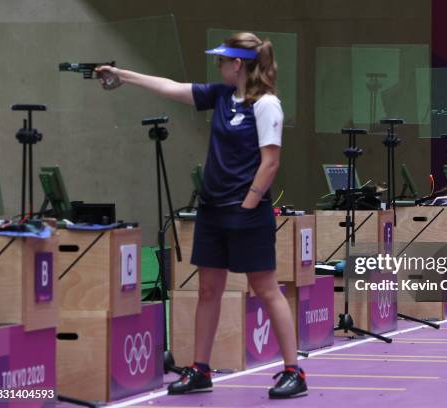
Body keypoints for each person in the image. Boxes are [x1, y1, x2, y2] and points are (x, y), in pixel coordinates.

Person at [96, 32, 307, 399]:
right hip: (211, 210)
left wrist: (248, 204)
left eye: (223, 60)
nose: (219, 65)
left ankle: (294, 371)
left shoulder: (266, 104)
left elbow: (270, 162)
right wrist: (124, 75)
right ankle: (200, 369)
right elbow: (169, 87)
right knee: (208, 289)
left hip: (248, 213)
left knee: (266, 289)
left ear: (237, 64)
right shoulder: (220, 96)